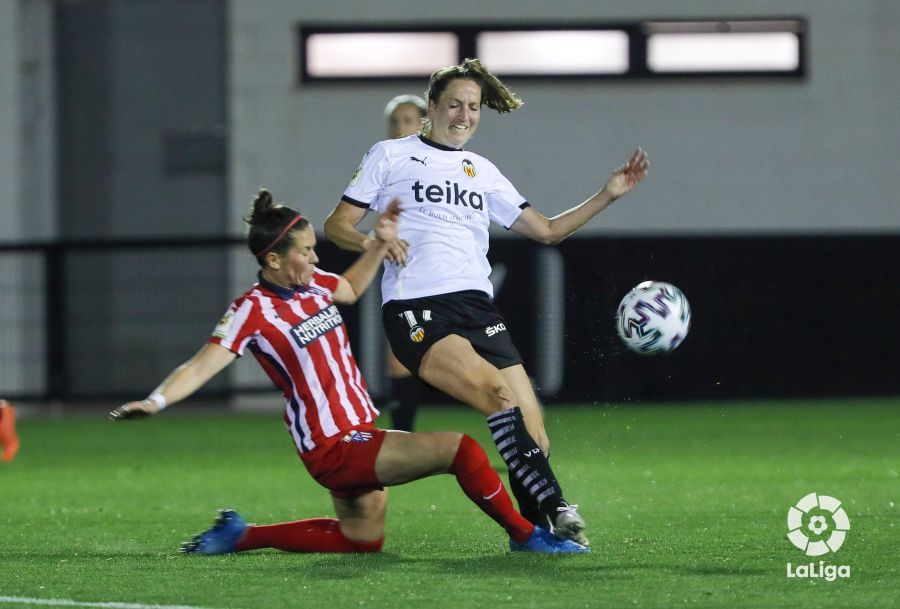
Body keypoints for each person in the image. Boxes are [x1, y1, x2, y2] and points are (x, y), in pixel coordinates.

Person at [109, 189, 588, 555]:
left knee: (362, 539)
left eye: (314, 249)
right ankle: (527, 537)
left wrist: (378, 244)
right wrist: (156, 401)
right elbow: (199, 366)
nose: (315, 259)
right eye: (305, 252)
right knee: (459, 450)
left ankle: (241, 535)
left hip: (358, 430)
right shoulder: (250, 312)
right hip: (332, 444)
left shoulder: (312, 283)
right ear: (273, 259)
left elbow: (351, 288)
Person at [324, 58, 649, 546]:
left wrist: (608, 194)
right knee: (496, 399)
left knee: (536, 438)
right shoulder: (391, 155)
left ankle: (534, 535)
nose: (464, 114)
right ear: (431, 107)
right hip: (418, 307)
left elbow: (547, 231)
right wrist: (376, 242)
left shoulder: (483, 171)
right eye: (454, 104)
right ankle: (557, 506)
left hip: (478, 309)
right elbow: (336, 226)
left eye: (473, 107)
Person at [381, 94, 428, 431]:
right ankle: (403, 442)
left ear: (424, 123)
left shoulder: (441, 160)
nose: (400, 127)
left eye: (408, 120)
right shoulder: (382, 164)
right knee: (399, 361)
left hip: (447, 276)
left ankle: (524, 399)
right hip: (404, 276)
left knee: (483, 363)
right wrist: (378, 241)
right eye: (395, 121)